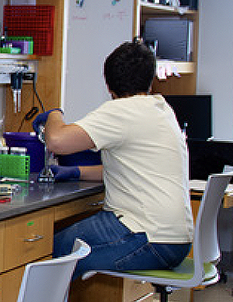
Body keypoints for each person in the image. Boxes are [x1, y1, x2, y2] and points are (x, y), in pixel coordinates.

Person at [37, 40, 192, 277]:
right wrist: (77, 172)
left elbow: (56, 140)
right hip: (175, 240)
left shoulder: (123, 110)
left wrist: (54, 114)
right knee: (62, 244)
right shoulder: (161, 108)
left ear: (109, 85)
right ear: (150, 80)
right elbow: (131, 169)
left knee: (46, 252)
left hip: (145, 237)